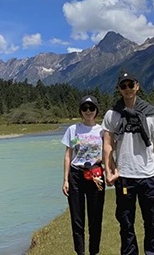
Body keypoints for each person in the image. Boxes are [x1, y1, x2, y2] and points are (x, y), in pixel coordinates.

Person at [102, 72, 154, 255]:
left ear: (137, 86)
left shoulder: (152, 113)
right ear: (119, 89)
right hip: (124, 177)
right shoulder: (112, 114)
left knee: (152, 221)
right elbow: (108, 144)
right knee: (125, 223)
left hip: (148, 177)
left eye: (130, 85)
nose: (127, 89)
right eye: (123, 86)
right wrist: (109, 169)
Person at [61, 95, 105, 255]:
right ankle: (80, 252)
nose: (88, 111)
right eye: (85, 108)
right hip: (76, 175)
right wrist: (65, 179)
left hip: (96, 175)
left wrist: (101, 163)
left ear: (96, 111)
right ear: (80, 111)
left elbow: (107, 153)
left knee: (96, 218)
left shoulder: (102, 131)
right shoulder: (73, 130)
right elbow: (68, 154)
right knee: (77, 219)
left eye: (91, 108)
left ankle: (94, 252)